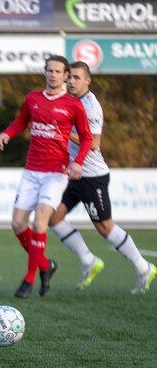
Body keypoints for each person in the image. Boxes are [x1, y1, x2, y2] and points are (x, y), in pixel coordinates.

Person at [49, 62, 156, 294]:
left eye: (77, 77)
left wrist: (63, 132)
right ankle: (89, 260)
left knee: (105, 227)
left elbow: (95, 143)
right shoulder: (69, 100)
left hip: (92, 177)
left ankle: (143, 267)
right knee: (53, 217)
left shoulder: (91, 106)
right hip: (73, 175)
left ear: (88, 80)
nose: (72, 81)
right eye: (71, 77)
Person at [0, 55, 93, 298]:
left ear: (65, 76)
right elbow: (21, 122)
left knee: (40, 221)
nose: (53, 75)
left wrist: (78, 163)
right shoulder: (33, 99)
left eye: (58, 71)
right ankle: (45, 265)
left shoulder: (73, 105)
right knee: (18, 224)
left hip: (56, 173)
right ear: (45, 72)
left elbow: (87, 138)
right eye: (49, 70)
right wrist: (7, 134)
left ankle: (29, 279)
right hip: (31, 171)